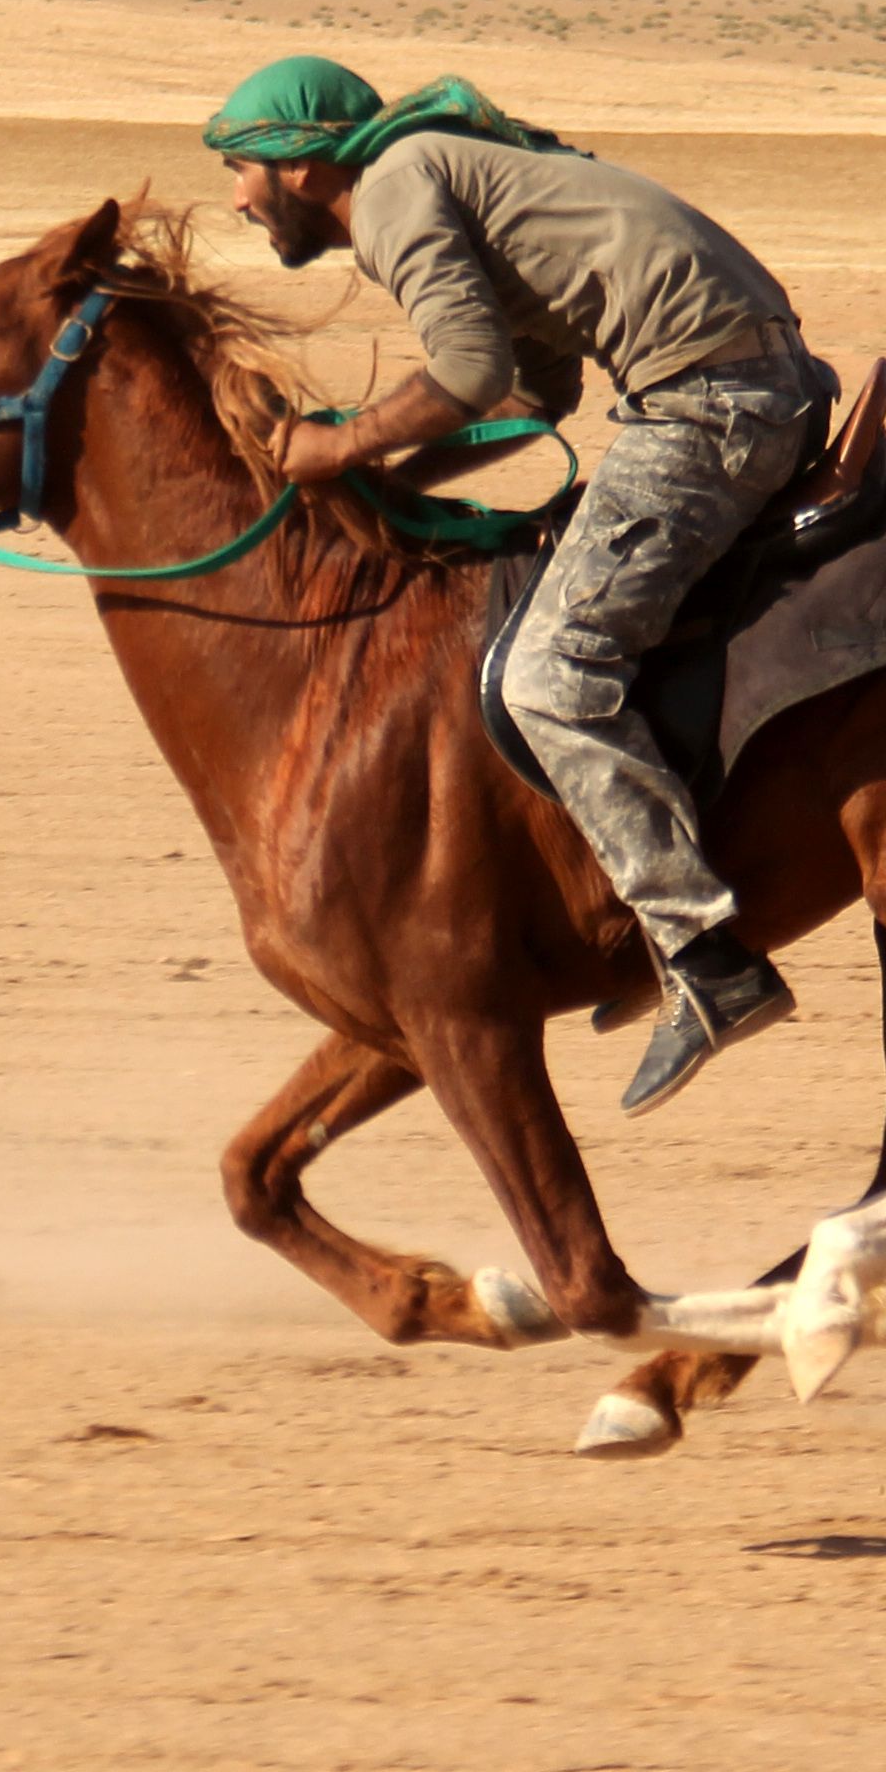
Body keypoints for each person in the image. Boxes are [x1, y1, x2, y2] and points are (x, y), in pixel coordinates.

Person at [204, 54, 830, 1114]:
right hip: (737, 378)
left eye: (242, 167)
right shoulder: (439, 170)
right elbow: (542, 381)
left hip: (709, 401)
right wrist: (389, 469)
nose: (236, 197)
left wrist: (336, 445)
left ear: (304, 169)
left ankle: (706, 955)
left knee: (548, 668)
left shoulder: (398, 186)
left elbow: (467, 372)